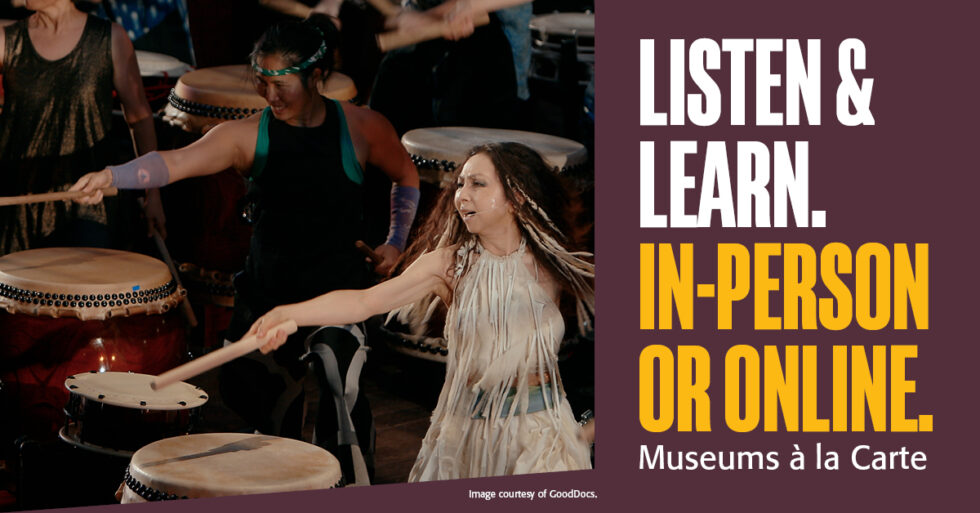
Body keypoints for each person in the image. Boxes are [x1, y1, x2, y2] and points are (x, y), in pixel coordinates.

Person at [69, 14, 420, 473]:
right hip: (268, 291)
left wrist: (395, 242)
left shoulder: (361, 128)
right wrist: (113, 177)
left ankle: (353, 481)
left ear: (315, 77)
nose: (270, 95)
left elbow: (406, 177)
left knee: (341, 379)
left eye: (281, 83)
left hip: (339, 295)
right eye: (262, 81)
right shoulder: (249, 135)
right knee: (267, 413)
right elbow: (176, 162)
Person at [247, 142, 594, 480]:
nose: (462, 195)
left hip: (542, 433)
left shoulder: (553, 264)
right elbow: (363, 302)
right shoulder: (449, 265)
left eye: (477, 184)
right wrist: (289, 315)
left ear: (516, 197)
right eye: (460, 184)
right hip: (470, 435)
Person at [0, 0, 161, 255]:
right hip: (18, 202)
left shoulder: (110, 38)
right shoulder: (6, 39)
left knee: (82, 291)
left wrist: (154, 194)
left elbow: (139, 119)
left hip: (89, 204)